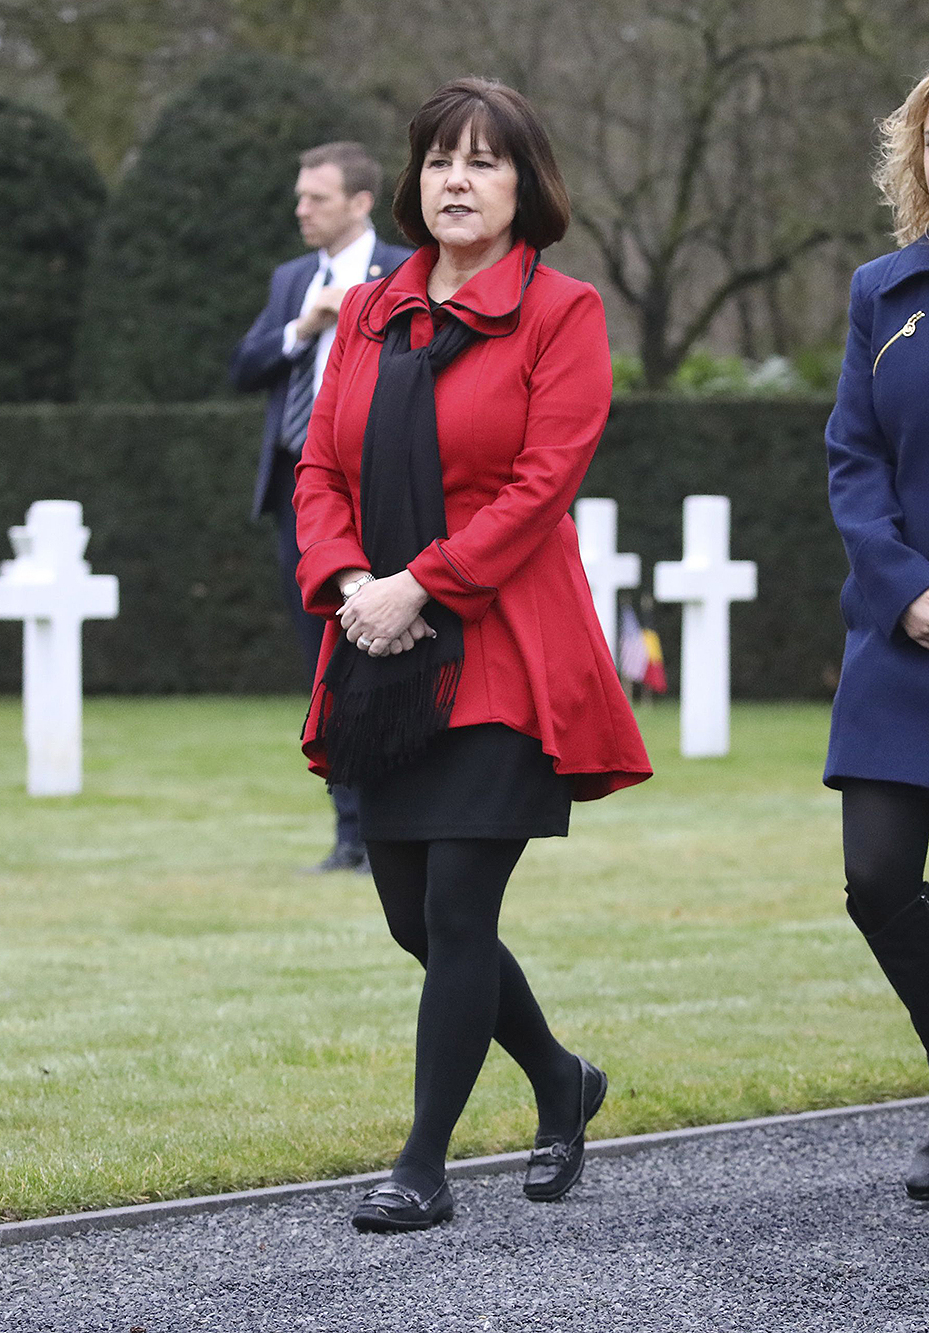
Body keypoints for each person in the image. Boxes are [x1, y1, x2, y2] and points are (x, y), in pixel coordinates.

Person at [293, 77, 652, 1232]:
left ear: (523, 184)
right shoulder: (368, 311)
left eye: (485, 161)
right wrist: (354, 582)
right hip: (380, 643)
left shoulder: (565, 311)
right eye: (441, 158)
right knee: (410, 913)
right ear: (413, 182)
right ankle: (559, 1076)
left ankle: (423, 1167)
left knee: (455, 907)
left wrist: (420, 585)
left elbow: (543, 485)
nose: (457, 178)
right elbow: (318, 471)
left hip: (503, 645)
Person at [230, 141, 411, 872]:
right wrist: (304, 326)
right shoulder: (290, 280)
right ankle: (350, 832)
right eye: (301, 196)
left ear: (361, 203)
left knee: (385, 658)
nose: (301, 209)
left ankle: (395, 824)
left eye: (317, 198)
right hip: (295, 499)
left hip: (377, 497)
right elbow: (244, 367)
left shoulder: (403, 271)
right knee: (323, 666)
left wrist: (358, 312)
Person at [825, 66, 929, 1200]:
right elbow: (854, 459)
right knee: (876, 877)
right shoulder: (882, 292)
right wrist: (902, 587)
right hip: (902, 641)